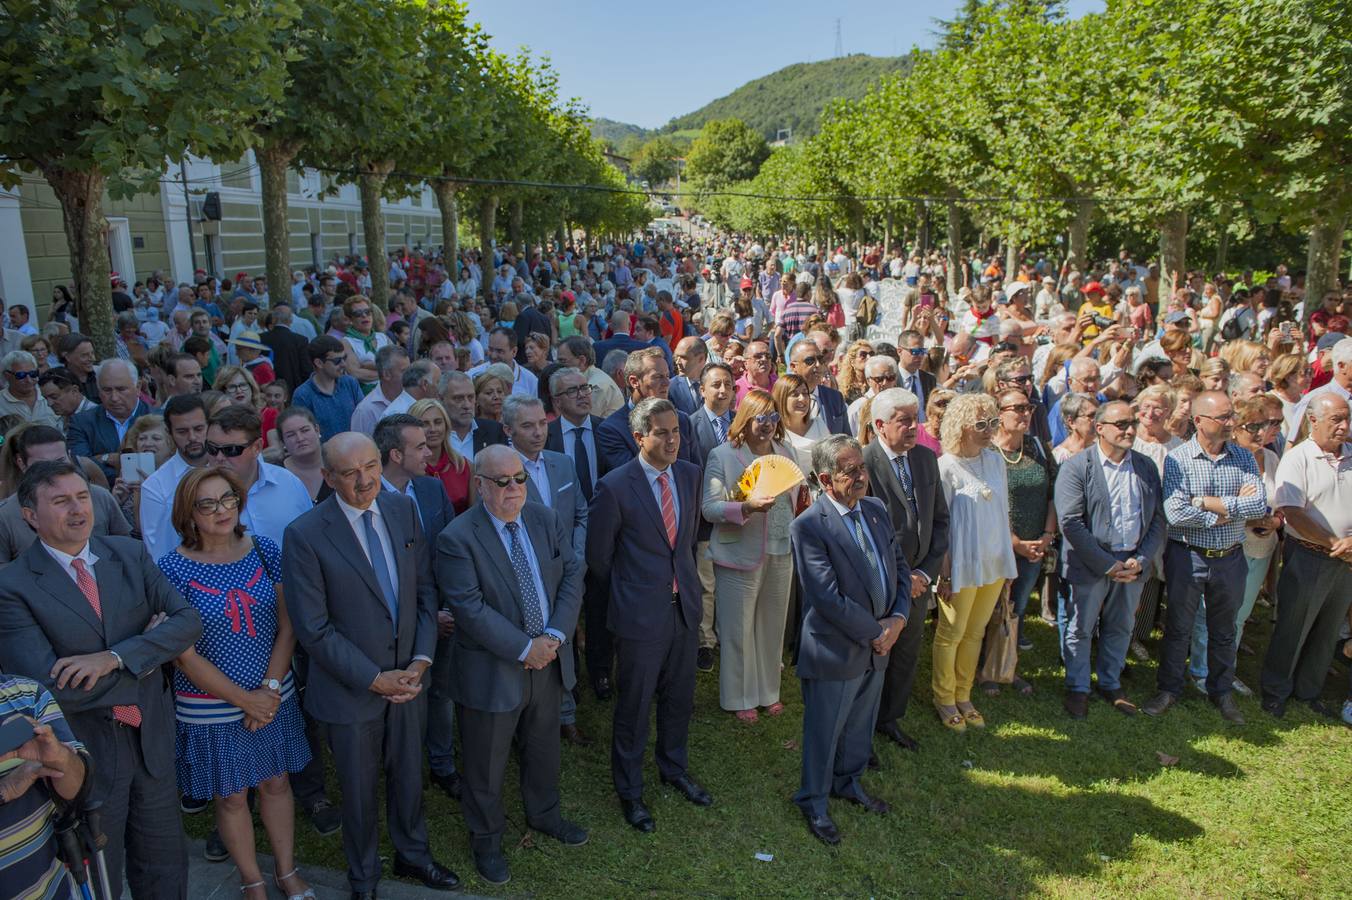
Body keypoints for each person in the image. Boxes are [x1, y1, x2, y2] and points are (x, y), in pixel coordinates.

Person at [0, 459, 203, 897]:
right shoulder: (11, 586)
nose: (78, 510)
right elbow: (47, 690)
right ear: (30, 516)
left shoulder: (128, 552)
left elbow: (187, 621)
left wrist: (114, 658)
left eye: (81, 496)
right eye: (60, 501)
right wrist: (152, 656)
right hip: (83, 756)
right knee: (98, 876)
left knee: (166, 866)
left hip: (151, 741)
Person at [282, 433, 459, 896]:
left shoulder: (402, 511)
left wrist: (421, 661)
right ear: (327, 477)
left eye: (371, 466)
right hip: (350, 690)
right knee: (358, 793)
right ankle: (363, 875)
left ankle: (413, 856)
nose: (364, 480)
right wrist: (374, 679)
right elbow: (313, 628)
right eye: (350, 472)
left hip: (408, 680)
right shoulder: (304, 535)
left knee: (408, 775)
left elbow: (424, 593)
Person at [157, 467, 312, 899]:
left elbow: (287, 626)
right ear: (188, 512)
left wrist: (270, 690)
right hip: (210, 702)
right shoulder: (170, 569)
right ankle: (252, 880)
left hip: (272, 692)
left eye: (228, 498)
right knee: (230, 796)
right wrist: (246, 699)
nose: (222, 510)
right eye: (207, 503)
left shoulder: (264, 550)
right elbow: (182, 654)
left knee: (276, 782)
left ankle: (285, 870)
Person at [435, 445, 587, 885]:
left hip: (548, 660)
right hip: (493, 670)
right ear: (479, 485)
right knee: (485, 764)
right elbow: (469, 608)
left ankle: (544, 814)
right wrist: (525, 648)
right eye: (502, 481)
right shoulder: (457, 538)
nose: (514, 488)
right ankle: (487, 840)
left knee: (544, 748)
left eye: (519, 478)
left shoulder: (543, 518)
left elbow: (573, 573)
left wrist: (554, 636)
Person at [587, 398, 710, 834]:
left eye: (676, 430)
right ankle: (631, 791)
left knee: (680, 699)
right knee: (634, 707)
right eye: (662, 432)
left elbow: (688, 541)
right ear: (640, 437)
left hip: (684, 610)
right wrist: (634, 592)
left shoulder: (691, 475)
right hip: (639, 617)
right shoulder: (615, 486)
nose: (673, 439)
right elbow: (599, 560)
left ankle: (673, 769)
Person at [789, 434, 909, 846]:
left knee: (860, 723)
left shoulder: (874, 509)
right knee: (826, 730)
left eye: (862, 467)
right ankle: (813, 800)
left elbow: (899, 567)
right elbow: (827, 599)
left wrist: (898, 618)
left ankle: (849, 782)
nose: (862, 476)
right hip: (836, 648)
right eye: (851, 471)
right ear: (826, 478)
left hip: (879, 642)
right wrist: (877, 632)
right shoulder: (808, 526)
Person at [1144, 391, 1267, 724]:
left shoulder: (1243, 457)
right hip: (1188, 556)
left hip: (1229, 558)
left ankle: (1220, 690)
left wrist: (1204, 502)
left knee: (1225, 630)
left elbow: (1258, 507)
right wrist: (1228, 511)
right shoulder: (1178, 459)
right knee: (1178, 629)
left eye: (1231, 416)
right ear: (1198, 421)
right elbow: (1175, 511)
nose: (1231, 423)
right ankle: (1169, 689)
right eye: (1223, 417)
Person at [1054, 400, 1166, 719]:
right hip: (1091, 564)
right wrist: (1107, 564)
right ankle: (1077, 687)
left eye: (1132, 423)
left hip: (1132, 563)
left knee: (1121, 625)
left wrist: (1141, 559)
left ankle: (1110, 682)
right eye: (1121, 424)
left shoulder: (1144, 466)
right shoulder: (1077, 466)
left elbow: (1157, 518)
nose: (1130, 429)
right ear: (1100, 428)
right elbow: (1070, 522)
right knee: (1081, 627)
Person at [372, 414, 461, 800]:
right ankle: (394, 770)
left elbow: (445, 552)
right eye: (420, 446)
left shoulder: (430, 489)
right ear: (395, 454)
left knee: (440, 692)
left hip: (439, 614)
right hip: (390, 624)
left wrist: (444, 608)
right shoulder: (367, 497)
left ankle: (441, 764)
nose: (430, 451)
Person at [700, 389, 797, 721]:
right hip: (738, 551)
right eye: (760, 418)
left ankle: (768, 691)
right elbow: (709, 508)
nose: (767, 425)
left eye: (773, 418)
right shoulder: (723, 455)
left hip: (782, 548)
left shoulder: (787, 451)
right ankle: (739, 696)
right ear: (745, 419)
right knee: (738, 628)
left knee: (772, 625)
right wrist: (745, 507)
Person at [863, 388, 948, 753]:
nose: (915, 427)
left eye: (916, 419)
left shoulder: (927, 459)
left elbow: (941, 521)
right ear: (880, 425)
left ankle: (889, 719)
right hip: (881, 582)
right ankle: (861, 725)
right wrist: (902, 577)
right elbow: (864, 530)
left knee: (907, 651)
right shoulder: (864, 463)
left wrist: (924, 575)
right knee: (875, 654)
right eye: (905, 421)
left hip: (918, 583)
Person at [1260, 393, 1352, 718]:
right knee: (1293, 627)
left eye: (1346, 418)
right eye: (1335, 420)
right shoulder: (1298, 458)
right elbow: (1292, 513)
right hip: (1310, 555)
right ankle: (1275, 691)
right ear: (1313, 420)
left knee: (1328, 630)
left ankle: (1308, 691)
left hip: (1346, 562)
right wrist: (1334, 542)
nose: (1343, 426)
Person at [933, 393, 1018, 731]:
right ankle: (944, 697)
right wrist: (945, 573)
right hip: (962, 564)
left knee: (976, 632)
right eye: (981, 424)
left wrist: (1008, 563)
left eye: (992, 423)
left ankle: (964, 694)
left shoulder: (995, 460)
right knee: (951, 632)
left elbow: (1003, 513)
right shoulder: (946, 467)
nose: (989, 430)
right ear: (960, 426)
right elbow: (941, 525)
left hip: (994, 561)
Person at [0, 672, 91, 898]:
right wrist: (5, 790)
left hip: (47, 890)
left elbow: (77, 789)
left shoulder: (25, 693)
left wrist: (59, 757)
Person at [988, 388, 1057, 675]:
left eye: (1028, 408)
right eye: (1017, 408)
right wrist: (1014, 541)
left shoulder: (1037, 447)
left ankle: (1007, 665)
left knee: (1018, 606)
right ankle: (986, 665)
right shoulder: (988, 451)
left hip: (1035, 544)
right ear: (999, 414)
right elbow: (989, 500)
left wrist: (1047, 536)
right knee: (993, 606)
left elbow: (1053, 493)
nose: (1025, 414)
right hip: (999, 543)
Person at [0, 424, 131, 563]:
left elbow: (126, 549)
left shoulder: (101, 497)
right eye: (43, 464)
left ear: (69, 455)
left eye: (60, 461)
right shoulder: (5, 515)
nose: (54, 470)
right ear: (22, 464)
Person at [203, 406, 312, 548]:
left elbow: (312, 539)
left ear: (257, 447)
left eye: (231, 450)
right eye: (212, 448)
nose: (219, 457)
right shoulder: (193, 494)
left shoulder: (288, 483)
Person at [596, 347, 700, 471]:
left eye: (667, 375)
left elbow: (695, 472)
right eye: (658, 377)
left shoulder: (682, 420)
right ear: (634, 382)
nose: (667, 383)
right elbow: (631, 477)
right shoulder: (611, 430)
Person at [140, 394, 211, 560]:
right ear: (169, 432)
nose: (192, 437)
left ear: (209, 426)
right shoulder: (155, 486)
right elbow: (157, 553)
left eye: (199, 429)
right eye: (182, 431)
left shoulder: (230, 467)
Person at [66, 359, 155, 481]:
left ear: (138, 387)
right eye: (107, 390)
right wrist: (109, 460)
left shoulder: (158, 418)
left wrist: (101, 459)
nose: (114, 397)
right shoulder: (81, 422)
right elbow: (80, 466)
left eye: (121, 389)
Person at [291, 336, 365, 441]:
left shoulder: (350, 383)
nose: (343, 364)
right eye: (337, 361)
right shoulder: (303, 395)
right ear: (319, 363)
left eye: (344, 358)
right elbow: (303, 435)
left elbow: (362, 417)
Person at [411, 397, 474, 514]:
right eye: (424, 424)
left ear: (446, 425)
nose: (433, 429)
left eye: (438, 422)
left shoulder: (464, 466)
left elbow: (474, 515)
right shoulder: (409, 470)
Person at [556, 336, 625, 420]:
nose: (557, 366)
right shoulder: (592, 378)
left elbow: (582, 422)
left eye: (563, 361)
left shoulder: (596, 386)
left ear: (582, 360)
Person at [350, 345, 410, 435]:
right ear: (386, 374)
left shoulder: (412, 397)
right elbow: (359, 447)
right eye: (404, 371)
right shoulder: (365, 411)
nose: (411, 375)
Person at [277, 406, 330, 504]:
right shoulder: (276, 475)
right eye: (291, 435)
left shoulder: (337, 464)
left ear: (317, 430)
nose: (300, 438)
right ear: (282, 441)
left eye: (305, 430)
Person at [0, 350, 62, 428]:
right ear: (7, 375)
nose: (28, 380)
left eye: (33, 374)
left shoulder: (52, 395)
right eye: (21, 375)